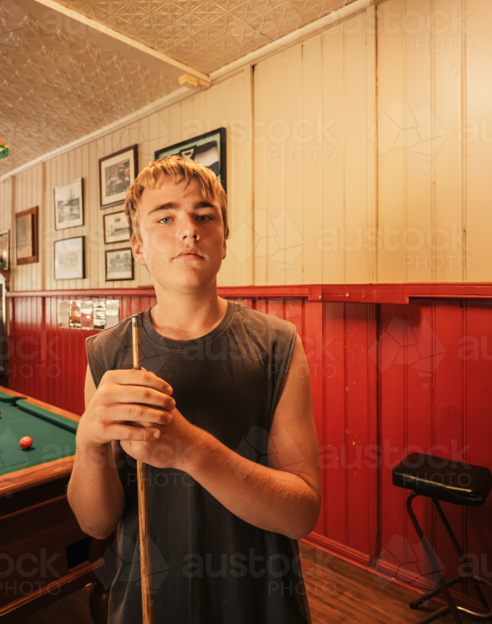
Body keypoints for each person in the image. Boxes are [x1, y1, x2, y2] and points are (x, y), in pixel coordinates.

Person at [67, 155, 321, 623]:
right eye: (165, 217)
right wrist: (88, 443)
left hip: (260, 601)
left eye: (205, 216)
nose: (189, 229)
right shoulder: (107, 353)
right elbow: (95, 522)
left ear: (224, 240)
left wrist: (189, 449)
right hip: (151, 600)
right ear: (138, 246)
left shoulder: (277, 343)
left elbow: (302, 512)